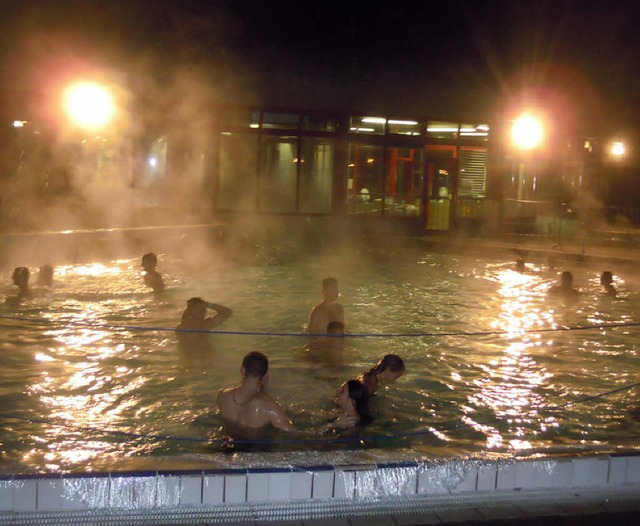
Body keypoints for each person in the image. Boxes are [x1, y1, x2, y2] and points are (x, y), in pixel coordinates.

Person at [217, 351, 297, 431]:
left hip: (225, 442)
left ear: (242, 370)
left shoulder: (222, 395)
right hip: (253, 443)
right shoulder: (270, 407)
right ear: (266, 375)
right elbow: (294, 434)